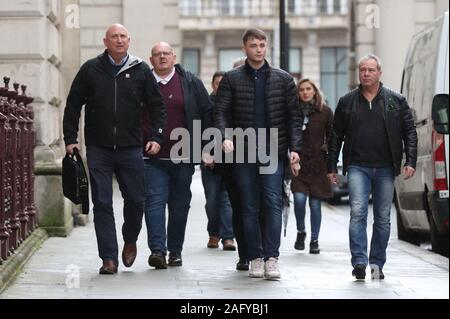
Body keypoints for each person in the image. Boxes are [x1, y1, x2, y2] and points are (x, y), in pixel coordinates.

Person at [63, 24, 166, 275]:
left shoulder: (141, 69)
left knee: (136, 200)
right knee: (102, 202)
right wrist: (70, 138)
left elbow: (157, 107)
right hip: (99, 148)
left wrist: (156, 137)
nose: (119, 41)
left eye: (123, 37)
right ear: (105, 41)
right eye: (114, 37)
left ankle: (129, 239)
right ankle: (108, 257)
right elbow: (73, 104)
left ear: (129, 41)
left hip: (131, 147)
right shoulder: (91, 69)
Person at [215, 29, 303, 280]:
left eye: (262, 44)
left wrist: (295, 149)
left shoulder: (283, 79)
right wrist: (224, 136)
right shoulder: (232, 79)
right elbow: (220, 111)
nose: (258, 49)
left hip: (273, 151)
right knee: (248, 206)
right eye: (253, 45)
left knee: (273, 203)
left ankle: (272, 258)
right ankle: (255, 257)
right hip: (242, 151)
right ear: (244, 48)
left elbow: (294, 117)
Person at [327, 54, 417, 280]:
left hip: (386, 167)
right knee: (357, 212)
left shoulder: (396, 101)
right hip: (358, 166)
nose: (366, 73)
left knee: (383, 217)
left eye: (370, 70)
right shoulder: (347, 101)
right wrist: (331, 166)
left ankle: (377, 263)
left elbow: (410, 132)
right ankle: (359, 261)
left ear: (379, 73)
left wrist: (411, 161)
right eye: (363, 70)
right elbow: (335, 134)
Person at [144, 42, 212, 269]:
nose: (162, 57)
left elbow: (207, 113)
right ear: (151, 59)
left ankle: (175, 251)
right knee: (154, 202)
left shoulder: (190, 82)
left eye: (166, 54)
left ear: (174, 57)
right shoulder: (143, 83)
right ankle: (157, 251)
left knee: (179, 206)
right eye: (157, 54)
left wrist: (206, 148)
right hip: (152, 158)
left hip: (183, 157)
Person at [291, 79, 333, 254]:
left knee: (315, 205)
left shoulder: (325, 112)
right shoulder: (294, 112)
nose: (305, 92)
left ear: (315, 91)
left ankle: (314, 240)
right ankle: (301, 231)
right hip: (299, 164)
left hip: (318, 165)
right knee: (299, 200)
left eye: (308, 89)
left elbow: (333, 137)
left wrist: (331, 165)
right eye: (301, 89)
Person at [201, 71, 236, 251]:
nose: (221, 87)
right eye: (217, 84)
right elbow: (200, 130)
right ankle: (213, 233)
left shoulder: (234, 105)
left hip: (230, 159)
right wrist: (206, 153)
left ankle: (228, 237)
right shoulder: (206, 105)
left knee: (227, 199)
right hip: (210, 160)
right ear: (213, 85)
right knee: (212, 199)